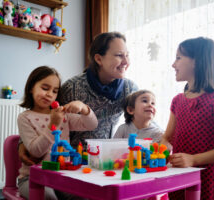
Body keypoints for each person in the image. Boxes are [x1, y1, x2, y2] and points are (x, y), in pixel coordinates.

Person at [18, 32, 138, 165]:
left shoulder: (130, 89)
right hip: (72, 159)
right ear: (99, 59)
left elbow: (143, 120)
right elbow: (45, 116)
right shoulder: (72, 87)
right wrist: (22, 143)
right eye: (119, 55)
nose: (126, 62)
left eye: (127, 55)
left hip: (107, 159)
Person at [161, 37, 214, 200]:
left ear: (197, 61)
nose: (173, 64)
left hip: (209, 180)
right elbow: (168, 137)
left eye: (178, 58)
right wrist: (161, 151)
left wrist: (193, 159)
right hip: (180, 177)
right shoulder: (177, 100)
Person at [17, 66, 98, 200]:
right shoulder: (24, 118)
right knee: (49, 198)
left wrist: (83, 108)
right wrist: (53, 124)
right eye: (45, 88)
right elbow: (36, 151)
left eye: (54, 91)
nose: (50, 94)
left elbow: (92, 125)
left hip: (61, 176)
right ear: (31, 88)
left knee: (83, 196)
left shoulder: (63, 115)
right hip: (33, 178)